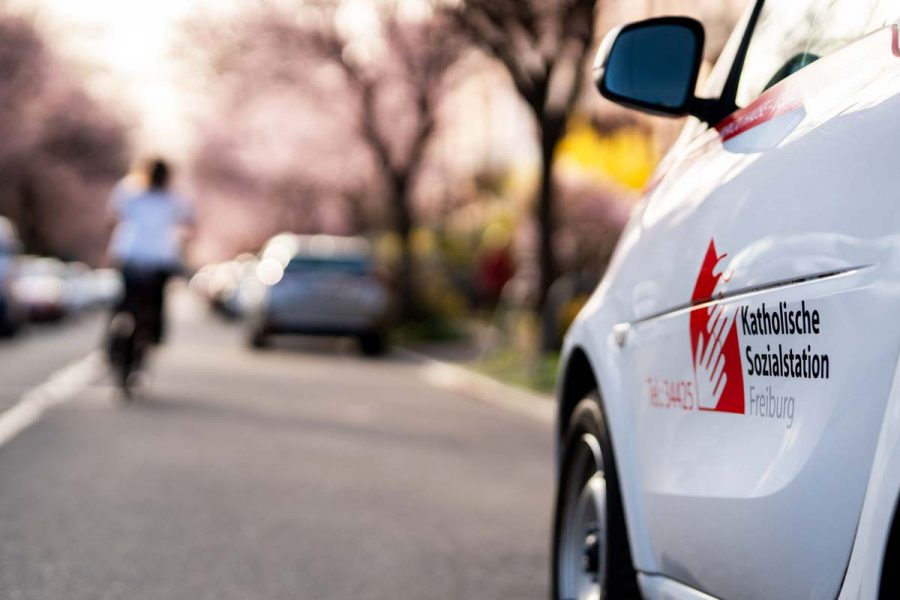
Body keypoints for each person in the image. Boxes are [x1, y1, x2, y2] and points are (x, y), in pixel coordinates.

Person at [107, 158, 193, 348]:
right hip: (159, 259)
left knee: (125, 302)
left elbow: (113, 218)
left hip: (130, 254)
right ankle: (148, 337)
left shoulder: (128, 191)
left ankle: (116, 335)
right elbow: (188, 224)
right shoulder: (174, 198)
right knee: (154, 307)